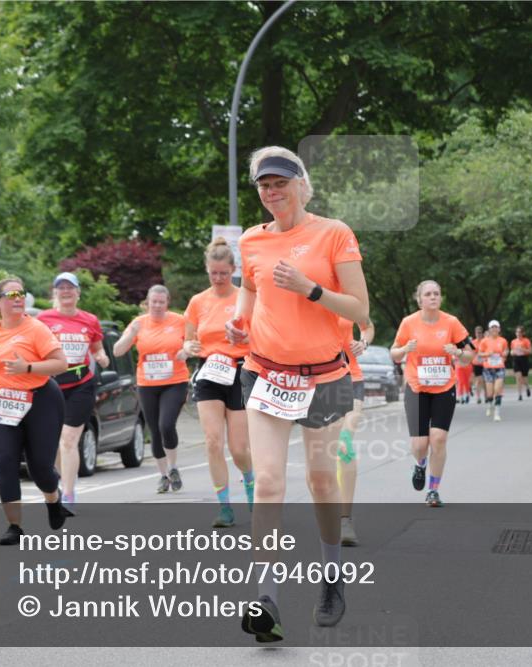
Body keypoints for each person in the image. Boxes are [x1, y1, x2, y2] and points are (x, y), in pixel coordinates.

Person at [226, 146, 368, 642]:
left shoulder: (334, 233)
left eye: (281, 182)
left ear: (301, 184)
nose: (272, 192)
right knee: (267, 484)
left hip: (324, 377)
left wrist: (310, 288)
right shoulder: (251, 240)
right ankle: (266, 600)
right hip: (265, 373)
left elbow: (360, 309)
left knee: (321, 482)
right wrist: (239, 324)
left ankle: (332, 580)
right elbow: (250, 291)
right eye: (264, 185)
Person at [0, 277, 71, 545]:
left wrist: (28, 367)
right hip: (3, 401)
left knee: (40, 467)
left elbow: (61, 364)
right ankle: (14, 526)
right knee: (5, 462)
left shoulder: (36, 329)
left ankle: (53, 498)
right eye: (11, 294)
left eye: (21, 293)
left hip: (41, 400)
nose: (18, 298)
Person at [183, 237, 254, 528]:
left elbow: (259, 335)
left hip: (239, 372)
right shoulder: (198, 302)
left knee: (239, 449)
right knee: (213, 442)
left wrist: (246, 340)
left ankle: (250, 482)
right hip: (209, 372)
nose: (219, 278)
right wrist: (189, 348)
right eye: (214, 273)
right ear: (207, 270)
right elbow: (189, 341)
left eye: (224, 273)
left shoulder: (245, 298)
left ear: (234, 269)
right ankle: (224, 507)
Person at [391, 280, 475, 507]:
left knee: (438, 438)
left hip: (444, 387)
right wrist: (404, 350)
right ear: (419, 299)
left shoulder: (451, 323)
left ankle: (433, 490)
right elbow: (395, 354)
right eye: (428, 294)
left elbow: (470, 355)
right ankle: (420, 464)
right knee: (420, 445)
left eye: (436, 293)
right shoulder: (409, 323)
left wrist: (457, 352)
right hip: (417, 388)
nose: (433, 297)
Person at [37, 272, 109, 507]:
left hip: (81, 385)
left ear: (78, 293)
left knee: (69, 439)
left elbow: (97, 349)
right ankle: (63, 479)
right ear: (55, 293)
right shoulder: (43, 319)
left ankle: (68, 495)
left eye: (70, 287)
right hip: (52, 386)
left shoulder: (89, 320)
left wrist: (101, 357)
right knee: (54, 441)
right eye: (61, 288)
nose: (66, 291)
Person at [114, 285, 189, 494]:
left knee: (166, 425)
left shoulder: (179, 321)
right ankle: (163, 475)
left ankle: (173, 467)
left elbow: (194, 343)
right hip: (147, 384)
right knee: (155, 430)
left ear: (167, 303)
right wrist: (131, 335)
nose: (156, 306)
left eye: (161, 302)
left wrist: (185, 351)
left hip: (175, 381)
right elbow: (117, 350)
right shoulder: (138, 323)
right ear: (147, 303)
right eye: (153, 302)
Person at [336, 315, 373, 546]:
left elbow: (367, 325)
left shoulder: (345, 299)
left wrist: (364, 342)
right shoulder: (304, 296)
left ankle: (344, 519)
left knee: (344, 444)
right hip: (315, 384)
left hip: (351, 379)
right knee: (321, 456)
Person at [478, 320, 509, 421]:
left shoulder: (503, 340)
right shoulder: (484, 341)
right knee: (490, 393)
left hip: (500, 367)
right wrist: (487, 354)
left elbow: (506, 350)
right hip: (488, 368)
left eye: (496, 327)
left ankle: (497, 413)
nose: (494, 329)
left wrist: (505, 353)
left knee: (498, 390)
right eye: (492, 327)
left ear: (499, 329)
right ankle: (489, 404)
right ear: (489, 329)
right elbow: (479, 354)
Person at [511, 325, 532, 400]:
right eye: (517, 332)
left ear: (523, 333)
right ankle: (519, 394)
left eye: (520, 332)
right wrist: (512, 352)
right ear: (515, 333)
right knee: (518, 377)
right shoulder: (513, 341)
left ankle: (527, 387)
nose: (518, 333)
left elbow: (531, 351)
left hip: (524, 359)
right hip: (516, 359)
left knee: (524, 378)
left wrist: (523, 349)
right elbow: (511, 351)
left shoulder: (526, 340)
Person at [470, 324, 485, 403]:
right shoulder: (473, 342)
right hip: (476, 363)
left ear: (482, 333)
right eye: (477, 333)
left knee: (483, 380)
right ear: (475, 333)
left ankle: (486, 395)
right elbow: (471, 353)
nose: (479, 334)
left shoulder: (485, 341)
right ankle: (478, 397)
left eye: (480, 332)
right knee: (479, 380)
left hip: (485, 363)